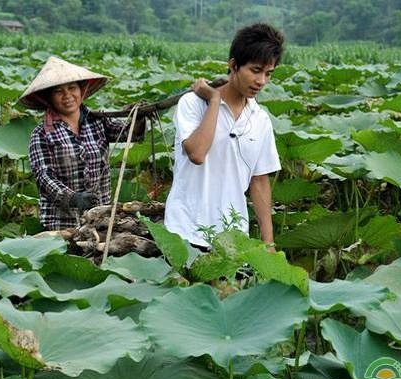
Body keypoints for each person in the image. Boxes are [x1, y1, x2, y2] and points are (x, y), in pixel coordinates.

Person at [164, 23, 284, 250]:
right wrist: (215, 102)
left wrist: (269, 243)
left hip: (232, 237)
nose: (262, 81)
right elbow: (197, 154)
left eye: (269, 74)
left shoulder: (260, 119)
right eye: (255, 70)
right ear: (233, 65)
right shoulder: (193, 104)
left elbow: (259, 181)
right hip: (185, 230)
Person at [19, 56, 145, 230]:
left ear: (82, 90)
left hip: (100, 219)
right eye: (58, 91)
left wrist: (139, 117)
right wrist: (72, 198)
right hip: (62, 223)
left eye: (72, 88)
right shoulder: (42, 134)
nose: (67, 96)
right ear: (49, 98)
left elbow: (130, 133)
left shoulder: (98, 121)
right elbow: (44, 176)